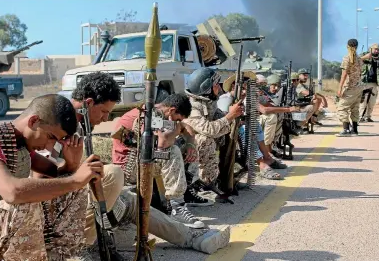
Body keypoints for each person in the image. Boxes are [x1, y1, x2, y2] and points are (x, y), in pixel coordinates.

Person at [36, 72, 230, 258]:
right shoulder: (58, 120)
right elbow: (42, 177)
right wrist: (73, 168)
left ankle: (192, 238)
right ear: (89, 103)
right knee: (117, 178)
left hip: (76, 191)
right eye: (104, 112)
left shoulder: (79, 123)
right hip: (59, 205)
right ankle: (78, 249)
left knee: (132, 201)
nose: (105, 119)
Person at [0, 94, 102, 261]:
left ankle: (59, 256)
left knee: (74, 189)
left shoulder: (19, 146)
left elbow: (58, 176)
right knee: (24, 201)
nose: (49, 146)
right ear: (34, 121)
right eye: (50, 137)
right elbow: (12, 192)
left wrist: (71, 167)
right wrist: (75, 179)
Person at [112, 93, 210, 229]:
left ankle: (185, 192)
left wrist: (190, 145)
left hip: (141, 159)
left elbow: (188, 129)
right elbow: (163, 144)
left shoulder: (158, 111)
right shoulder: (151, 115)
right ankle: (177, 207)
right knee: (173, 151)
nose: (176, 121)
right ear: (172, 110)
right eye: (177, 118)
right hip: (130, 167)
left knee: (184, 145)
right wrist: (175, 131)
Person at [182, 68, 244, 200]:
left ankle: (219, 180)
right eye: (215, 85)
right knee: (205, 139)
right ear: (206, 88)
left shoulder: (208, 102)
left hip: (195, 147)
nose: (218, 87)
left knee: (229, 130)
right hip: (186, 147)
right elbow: (209, 129)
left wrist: (233, 115)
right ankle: (201, 183)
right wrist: (230, 116)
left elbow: (220, 119)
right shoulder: (192, 106)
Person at [218, 73, 286, 180]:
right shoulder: (226, 98)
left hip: (236, 127)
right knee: (245, 130)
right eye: (244, 88)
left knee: (255, 125)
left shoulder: (244, 98)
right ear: (234, 86)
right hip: (224, 131)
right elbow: (223, 119)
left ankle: (267, 157)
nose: (246, 91)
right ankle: (261, 164)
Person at [258, 74, 300, 155]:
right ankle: (267, 148)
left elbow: (270, 106)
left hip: (258, 119)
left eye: (263, 85)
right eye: (260, 85)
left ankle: (271, 144)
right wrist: (287, 109)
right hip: (250, 122)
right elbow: (265, 110)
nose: (276, 88)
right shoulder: (252, 95)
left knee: (279, 113)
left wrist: (283, 109)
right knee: (272, 117)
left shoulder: (261, 95)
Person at [336, 39, 365, 136]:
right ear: (356, 47)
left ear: (347, 46)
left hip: (350, 88)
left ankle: (346, 129)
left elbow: (343, 75)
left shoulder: (347, 58)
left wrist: (339, 88)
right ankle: (355, 130)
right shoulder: (359, 58)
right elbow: (360, 73)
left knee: (342, 108)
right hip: (359, 87)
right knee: (355, 108)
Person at [359, 43, 379, 122]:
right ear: (370, 49)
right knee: (363, 100)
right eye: (375, 49)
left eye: (378, 49)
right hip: (364, 82)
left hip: (374, 83)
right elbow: (355, 60)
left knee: (372, 101)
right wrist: (364, 57)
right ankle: (360, 116)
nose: (376, 51)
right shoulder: (364, 56)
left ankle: (367, 116)